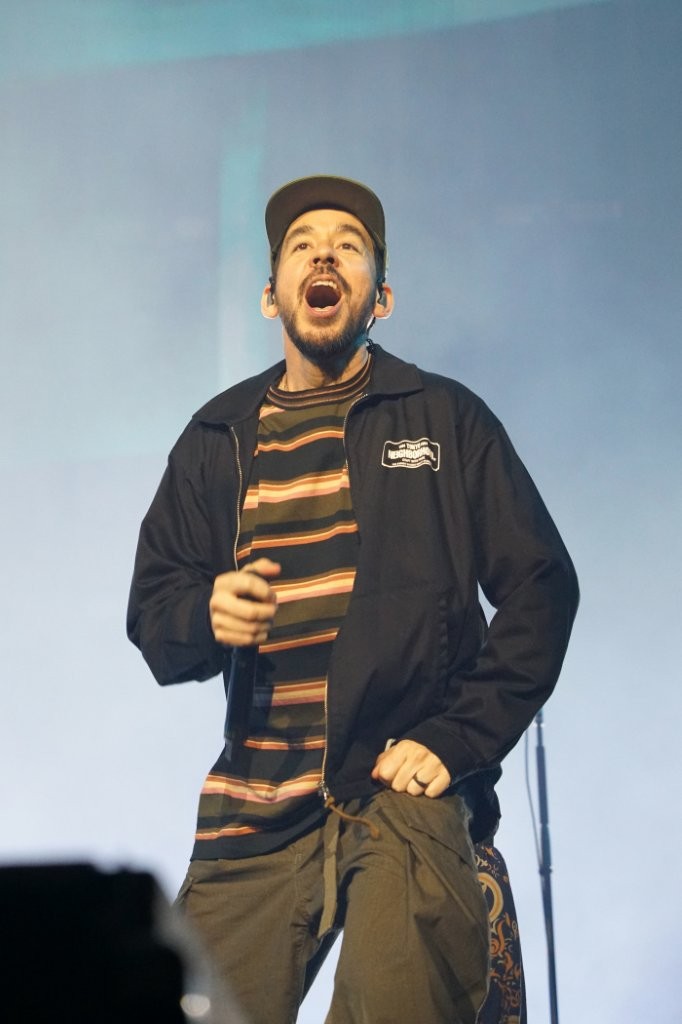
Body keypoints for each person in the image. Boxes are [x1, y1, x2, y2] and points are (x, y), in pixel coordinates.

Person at [127, 175, 578, 1024]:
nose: (324, 256)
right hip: (253, 815)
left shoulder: (444, 419)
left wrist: (458, 738)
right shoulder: (217, 437)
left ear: (383, 297)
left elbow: (541, 586)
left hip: (397, 797)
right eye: (302, 246)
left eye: (349, 246)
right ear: (272, 295)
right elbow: (154, 613)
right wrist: (203, 614)